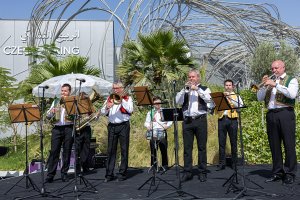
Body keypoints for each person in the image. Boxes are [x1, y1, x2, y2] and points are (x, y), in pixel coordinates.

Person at [257, 60, 298, 184]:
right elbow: (259, 98)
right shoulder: (270, 82)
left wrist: (276, 85)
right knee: (274, 145)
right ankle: (277, 172)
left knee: (288, 144)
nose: (274, 71)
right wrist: (264, 86)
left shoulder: (292, 80)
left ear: (283, 67)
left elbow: (292, 94)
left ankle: (290, 173)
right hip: (271, 115)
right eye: (272, 69)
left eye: (276, 68)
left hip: (285, 113)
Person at [176, 69, 213, 182]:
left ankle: (202, 172)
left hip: (200, 120)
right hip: (187, 121)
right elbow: (178, 101)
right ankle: (188, 172)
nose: (191, 79)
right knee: (187, 148)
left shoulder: (205, 89)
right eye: (189, 77)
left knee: (201, 147)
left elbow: (209, 100)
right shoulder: (185, 90)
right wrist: (184, 90)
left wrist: (197, 89)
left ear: (198, 78)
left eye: (193, 77)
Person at [100, 81, 133, 182]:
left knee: (124, 149)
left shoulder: (128, 98)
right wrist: (107, 107)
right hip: (112, 126)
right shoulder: (110, 98)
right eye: (114, 88)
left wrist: (121, 100)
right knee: (110, 150)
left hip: (123, 125)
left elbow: (130, 110)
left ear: (122, 88)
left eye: (117, 88)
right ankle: (109, 174)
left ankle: (122, 173)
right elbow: (102, 112)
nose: (115, 90)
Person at [46, 83, 74, 183]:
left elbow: (78, 115)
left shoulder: (72, 102)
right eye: (62, 91)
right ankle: (50, 174)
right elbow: (48, 116)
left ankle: (64, 173)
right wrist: (52, 111)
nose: (63, 93)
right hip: (57, 128)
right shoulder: (56, 101)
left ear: (69, 92)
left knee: (67, 151)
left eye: (65, 91)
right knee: (54, 151)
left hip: (68, 127)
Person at [216, 79, 243, 171]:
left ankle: (234, 163)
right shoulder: (220, 96)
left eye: (229, 85)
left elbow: (240, 105)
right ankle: (222, 163)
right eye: (226, 85)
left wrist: (230, 98)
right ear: (224, 86)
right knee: (221, 143)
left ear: (233, 87)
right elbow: (213, 105)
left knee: (233, 142)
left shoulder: (236, 96)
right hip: (221, 119)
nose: (228, 87)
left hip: (232, 120)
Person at [144, 96, 172, 171]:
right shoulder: (150, 112)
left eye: (159, 103)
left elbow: (170, 120)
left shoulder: (164, 111)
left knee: (163, 148)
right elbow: (146, 122)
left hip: (162, 131)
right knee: (153, 150)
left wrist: (167, 125)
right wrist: (148, 126)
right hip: (153, 132)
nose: (158, 104)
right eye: (156, 103)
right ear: (153, 104)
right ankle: (154, 165)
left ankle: (165, 165)